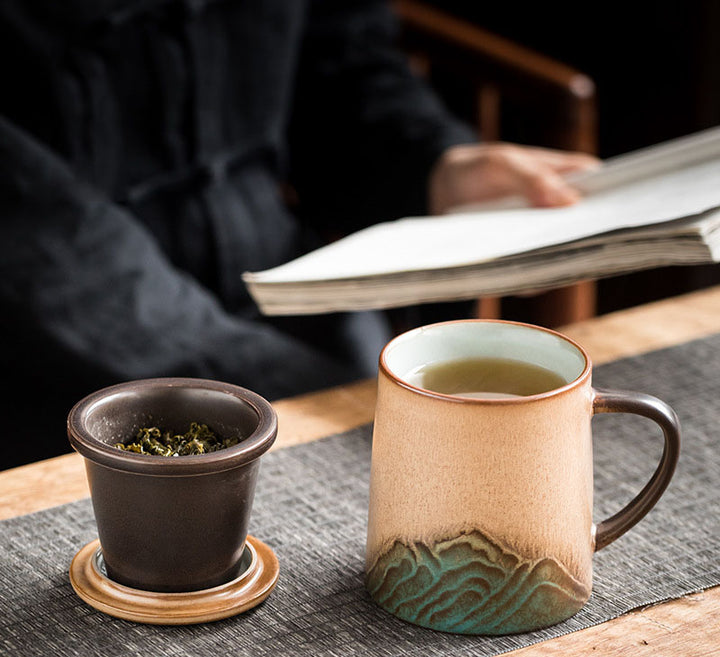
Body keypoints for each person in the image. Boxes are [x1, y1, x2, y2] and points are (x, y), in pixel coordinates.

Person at [0, 0, 597, 469]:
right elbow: (34, 230)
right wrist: (299, 388)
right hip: (61, 346)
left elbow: (338, 58)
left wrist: (434, 164)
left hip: (295, 287)